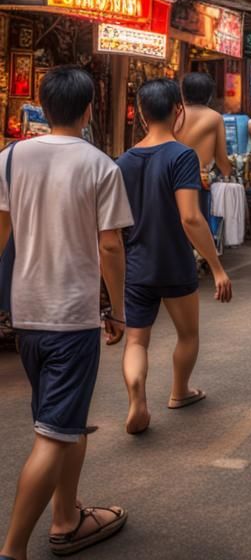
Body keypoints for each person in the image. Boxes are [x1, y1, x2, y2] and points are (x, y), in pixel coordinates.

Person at [0, 67, 134, 560]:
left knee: (63, 421)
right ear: (89, 109)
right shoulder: (100, 165)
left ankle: (67, 517)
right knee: (54, 434)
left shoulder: (11, 158)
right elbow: (111, 246)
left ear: (42, 103)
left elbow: (1, 235)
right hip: (71, 317)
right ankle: (13, 549)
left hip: (26, 313)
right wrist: (117, 310)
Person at [117, 79, 232, 435]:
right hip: (174, 261)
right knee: (187, 334)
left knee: (136, 340)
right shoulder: (182, 156)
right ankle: (179, 391)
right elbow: (191, 217)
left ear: (140, 114)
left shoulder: (124, 160)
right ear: (177, 111)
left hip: (137, 262)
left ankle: (137, 396)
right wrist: (216, 267)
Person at [178, 72, 231, 220]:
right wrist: (228, 173)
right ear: (209, 95)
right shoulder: (214, 117)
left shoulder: (175, 114)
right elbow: (221, 159)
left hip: (169, 175)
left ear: (183, 92)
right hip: (198, 179)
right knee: (196, 220)